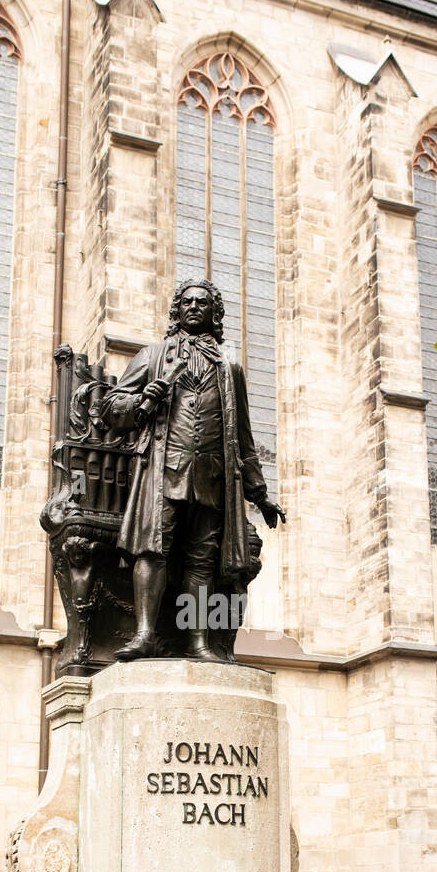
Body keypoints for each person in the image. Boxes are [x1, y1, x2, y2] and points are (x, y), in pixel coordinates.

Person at [102, 279, 285, 661]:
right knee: (152, 549)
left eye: (203, 303)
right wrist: (142, 401)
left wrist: (260, 494)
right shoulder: (153, 356)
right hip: (163, 473)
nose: (195, 307)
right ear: (177, 310)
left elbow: (244, 440)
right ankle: (146, 634)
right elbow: (110, 407)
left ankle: (198, 641)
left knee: (203, 560)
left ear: (214, 313)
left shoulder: (229, 369)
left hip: (212, 480)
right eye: (187, 302)